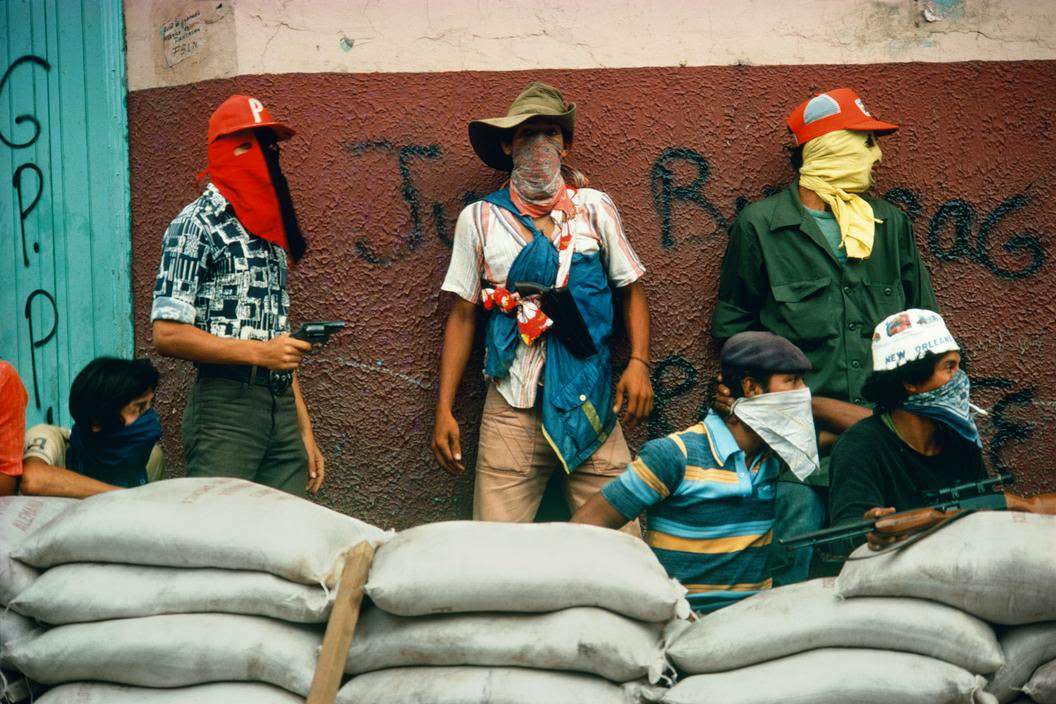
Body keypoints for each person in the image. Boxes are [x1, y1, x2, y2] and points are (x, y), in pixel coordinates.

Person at [711, 88, 938, 584]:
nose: (876, 156)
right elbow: (733, 329)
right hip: (799, 455)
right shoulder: (762, 227)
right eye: (864, 142)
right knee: (787, 574)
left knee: (895, 579)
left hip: (886, 445)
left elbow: (925, 326)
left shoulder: (890, 225)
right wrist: (744, 389)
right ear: (826, 148)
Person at [432, 81, 653, 529]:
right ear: (507, 144)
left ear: (566, 147)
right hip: (512, 405)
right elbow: (463, 314)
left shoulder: (594, 209)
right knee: (494, 550)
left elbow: (631, 289)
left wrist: (639, 363)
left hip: (590, 401)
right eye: (527, 134)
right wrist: (444, 408)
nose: (540, 145)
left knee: (625, 542)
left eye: (550, 134)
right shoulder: (479, 219)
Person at [571, 331, 818, 612]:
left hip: (753, 626)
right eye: (792, 381)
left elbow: (864, 429)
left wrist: (807, 407)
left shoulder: (777, 454)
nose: (803, 392)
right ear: (751, 388)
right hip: (680, 625)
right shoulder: (675, 455)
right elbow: (583, 528)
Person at [151, 95, 323, 496]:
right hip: (225, 405)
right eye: (250, 144)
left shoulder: (269, 234)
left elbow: (278, 339)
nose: (264, 157)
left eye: (269, 146)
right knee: (220, 537)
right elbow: (167, 334)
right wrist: (259, 353)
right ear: (224, 151)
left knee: (282, 538)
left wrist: (303, 427)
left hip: (279, 406)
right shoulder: (195, 224)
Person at [828, 309, 1056, 551]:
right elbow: (846, 535)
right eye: (949, 367)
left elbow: (987, 518)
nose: (960, 379)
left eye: (959, 366)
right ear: (911, 382)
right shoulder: (860, 445)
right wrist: (873, 531)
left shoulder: (959, 438)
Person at [1, 357, 162, 498]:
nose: (150, 418)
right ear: (98, 421)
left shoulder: (151, 457)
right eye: (138, 408)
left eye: (149, 407)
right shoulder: (53, 439)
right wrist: (127, 497)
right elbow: (33, 479)